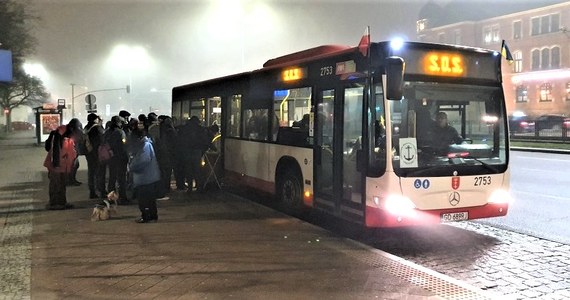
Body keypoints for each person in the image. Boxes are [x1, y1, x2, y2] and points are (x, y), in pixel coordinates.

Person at [128, 126, 161, 223]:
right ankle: (152, 216)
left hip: (145, 177)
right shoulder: (145, 145)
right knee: (149, 199)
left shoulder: (144, 146)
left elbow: (142, 160)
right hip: (147, 177)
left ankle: (147, 216)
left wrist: (132, 166)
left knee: (144, 199)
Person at [43, 124, 76, 210]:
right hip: (56, 165)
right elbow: (55, 151)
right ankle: (54, 203)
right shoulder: (57, 135)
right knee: (55, 184)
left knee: (62, 184)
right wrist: (56, 164)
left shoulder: (66, 136)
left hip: (63, 165)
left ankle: (62, 202)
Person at [105, 116, 129, 204]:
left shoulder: (107, 132)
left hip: (111, 157)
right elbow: (124, 144)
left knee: (112, 178)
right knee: (121, 178)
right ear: (118, 123)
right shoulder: (120, 132)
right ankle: (122, 198)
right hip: (120, 157)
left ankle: (110, 198)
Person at [84, 113, 106, 199]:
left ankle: (92, 191)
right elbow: (102, 138)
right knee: (99, 173)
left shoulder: (86, 127)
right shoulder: (97, 128)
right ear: (95, 119)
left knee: (91, 173)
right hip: (97, 153)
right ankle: (101, 190)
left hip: (89, 153)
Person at [66, 118, 83, 186]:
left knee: (72, 166)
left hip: (69, 150)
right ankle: (71, 180)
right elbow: (81, 138)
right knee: (74, 166)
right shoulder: (76, 131)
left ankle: (71, 180)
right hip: (73, 151)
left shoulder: (68, 129)